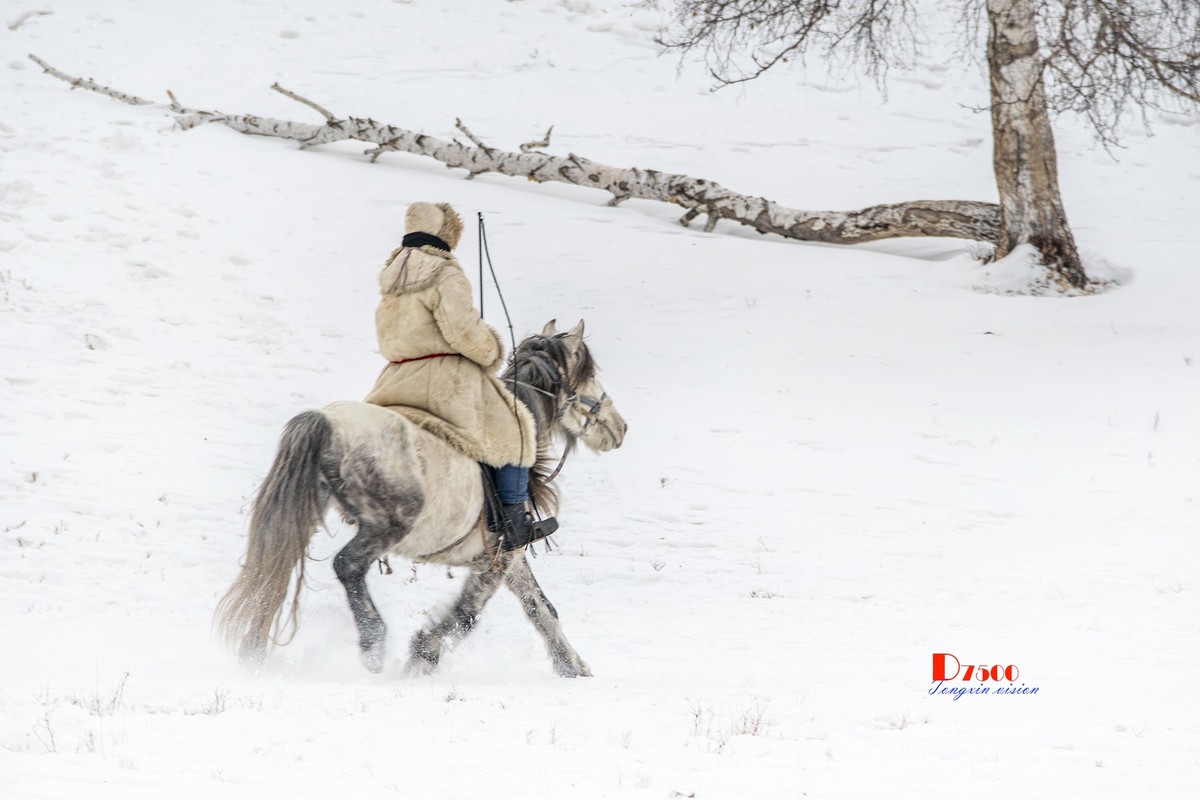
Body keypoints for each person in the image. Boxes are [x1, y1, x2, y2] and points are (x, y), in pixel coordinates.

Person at [363, 201, 556, 549]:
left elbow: (387, 337)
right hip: (446, 381)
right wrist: (491, 349)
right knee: (517, 428)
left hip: (394, 380)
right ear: (446, 235)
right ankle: (513, 522)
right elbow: (463, 332)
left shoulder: (392, 279)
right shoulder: (445, 273)